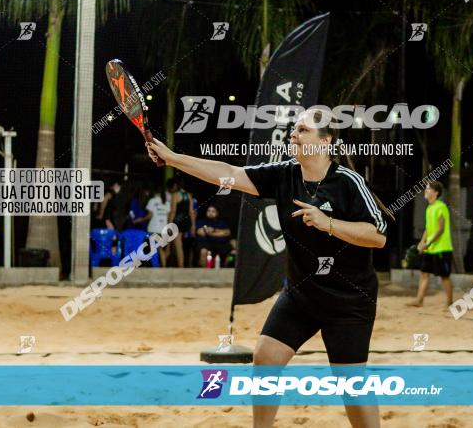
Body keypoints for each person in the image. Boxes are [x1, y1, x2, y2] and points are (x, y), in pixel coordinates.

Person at [146, 106, 389, 428]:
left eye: (302, 130)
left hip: (348, 301)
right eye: (294, 129)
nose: (294, 134)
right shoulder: (284, 174)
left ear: (326, 141)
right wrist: (174, 158)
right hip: (301, 294)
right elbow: (229, 174)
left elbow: (378, 236)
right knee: (266, 359)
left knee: (350, 385)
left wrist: (328, 223)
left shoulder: (348, 182)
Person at [409, 181, 453, 309]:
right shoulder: (429, 208)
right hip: (430, 248)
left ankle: (450, 303)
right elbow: (428, 229)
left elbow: (440, 229)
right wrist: (422, 243)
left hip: (442, 249)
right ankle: (419, 301)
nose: (425, 191)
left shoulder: (441, 207)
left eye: (428, 189)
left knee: (445, 277)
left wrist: (427, 243)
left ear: (436, 192)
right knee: (424, 274)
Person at [167, 177, 196, 268]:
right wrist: (193, 226)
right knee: (178, 245)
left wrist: (169, 224)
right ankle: (178, 265)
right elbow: (191, 212)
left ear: (176, 185)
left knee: (178, 245)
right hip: (186, 222)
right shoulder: (189, 195)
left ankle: (181, 267)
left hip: (177, 222)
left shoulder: (175, 195)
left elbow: (173, 211)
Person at [145, 184, 172, 264]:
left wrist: (141, 219)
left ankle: (161, 267)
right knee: (160, 249)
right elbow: (168, 218)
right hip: (163, 229)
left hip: (153, 228)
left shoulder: (152, 201)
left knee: (156, 250)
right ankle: (162, 266)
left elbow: (149, 216)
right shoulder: (167, 203)